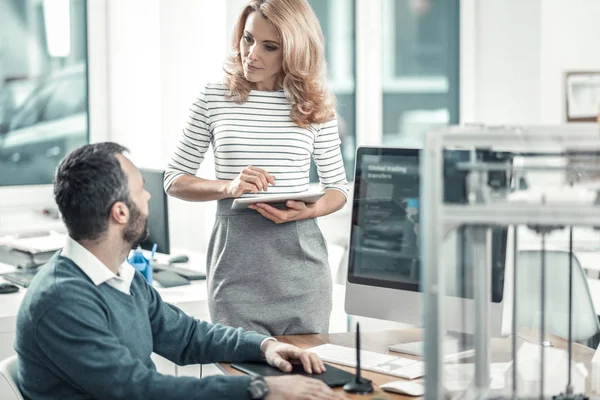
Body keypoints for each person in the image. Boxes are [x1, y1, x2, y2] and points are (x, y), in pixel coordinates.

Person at [14, 142, 345, 400]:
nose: (147, 197)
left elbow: (186, 336)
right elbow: (139, 391)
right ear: (119, 213)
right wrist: (260, 390)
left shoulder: (118, 277)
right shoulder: (62, 300)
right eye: (141, 190)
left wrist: (265, 347)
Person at [164, 0, 348, 337]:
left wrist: (307, 212)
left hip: (303, 279)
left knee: (302, 386)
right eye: (248, 39)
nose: (252, 54)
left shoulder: (315, 103)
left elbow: (338, 188)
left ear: (293, 51)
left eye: (270, 46)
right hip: (235, 279)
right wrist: (228, 187)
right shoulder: (214, 97)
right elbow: (174, 180)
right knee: (242, 385)